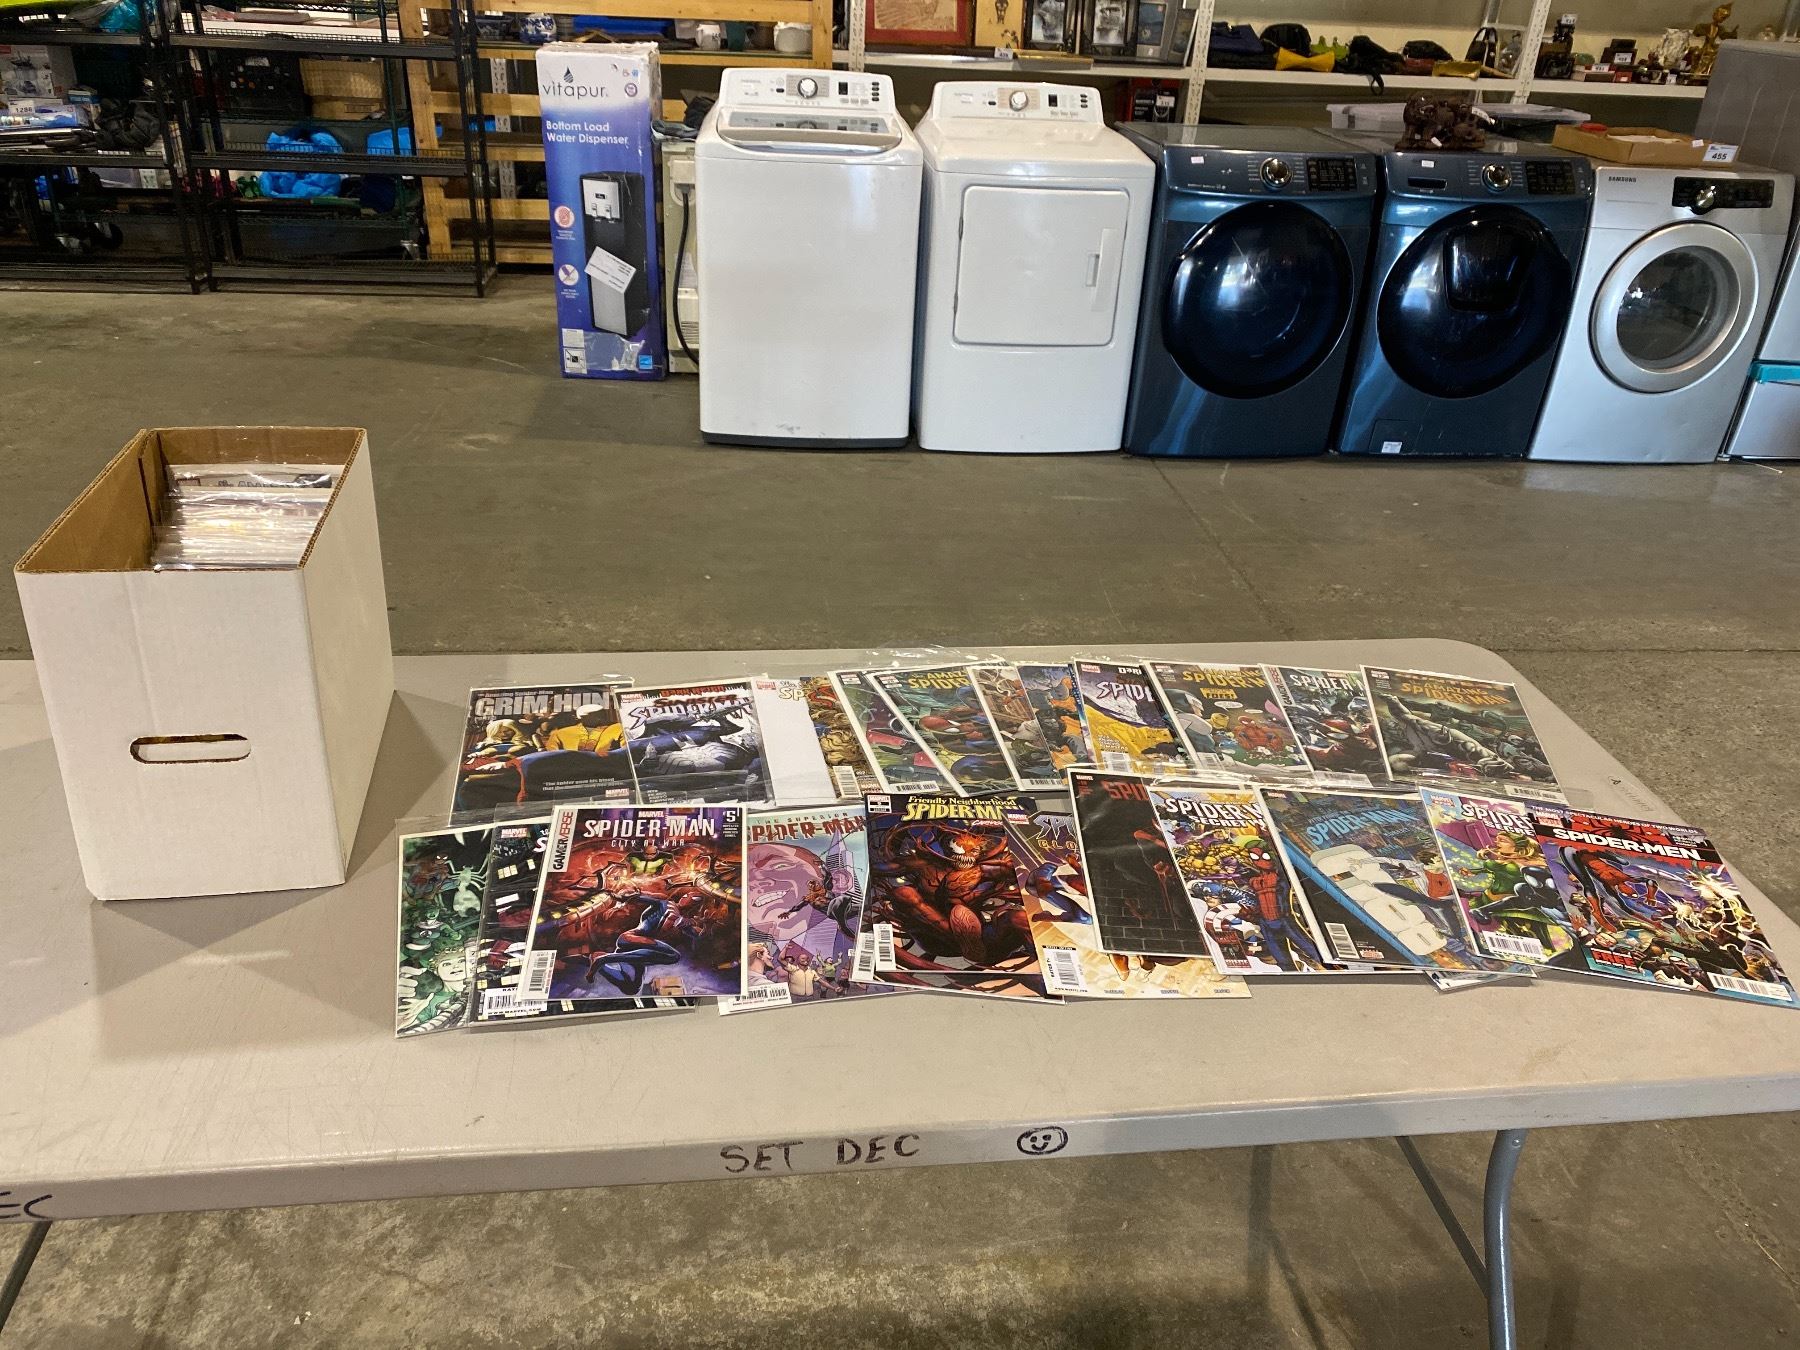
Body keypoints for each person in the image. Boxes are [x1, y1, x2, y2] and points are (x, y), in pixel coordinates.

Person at [543, 704, 621, 755]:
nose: (599, 718)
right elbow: (551, 756)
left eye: (600, 715)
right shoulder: (560, 734)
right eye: (594, 716)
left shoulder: (618, 728)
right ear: (581, 718)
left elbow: (625, 751)